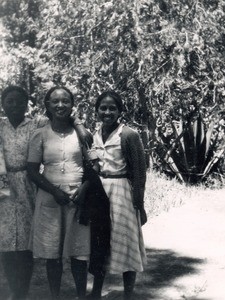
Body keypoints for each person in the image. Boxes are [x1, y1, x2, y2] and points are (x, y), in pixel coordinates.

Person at [0, 85, 91, 300]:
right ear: (2, 104)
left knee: (27, 240)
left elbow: (63, 115)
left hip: (30, 186)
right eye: (9, 101)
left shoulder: (37, 124)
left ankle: (25, 288)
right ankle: (15, 292)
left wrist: (79, 125)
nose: (14, 106)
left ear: (27, 105)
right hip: (4, 186)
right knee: (5, 240)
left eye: (19, 102)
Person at [87, 91, 147, 300]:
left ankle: (128, 294)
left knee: (125, 241)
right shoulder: (94, 134)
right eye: (103, 107)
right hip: (99, 192)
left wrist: (139, 203)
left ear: (120, 111)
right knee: (99, 241)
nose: (107, 112)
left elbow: (139, 172)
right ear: (97, 110)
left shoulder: (128, 135)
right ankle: (96, 291)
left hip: (121, 192)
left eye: (113, 108)